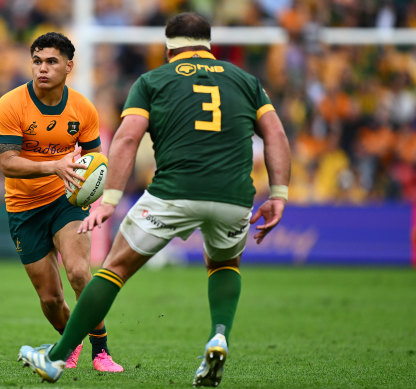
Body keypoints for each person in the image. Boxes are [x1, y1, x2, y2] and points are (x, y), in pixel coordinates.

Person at [17, 13, 291, 386]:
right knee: (224, 263)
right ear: (208, 45)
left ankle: (56, 357)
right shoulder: (246, 81)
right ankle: (219, 334)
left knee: (114, 269)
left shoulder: (153, 80)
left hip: (173, 192)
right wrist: (278, 194)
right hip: (234, 195)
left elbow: (128, 139)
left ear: (167, 48)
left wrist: (110, 200)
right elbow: (275, 134)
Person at [0, 32, 123, 372]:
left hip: (66, 200)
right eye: (37, 61)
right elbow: (7, 163)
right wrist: (54, 164)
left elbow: (96, 160)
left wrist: (93, 189)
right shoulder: (10, 104)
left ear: (69, 66)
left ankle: (101, 352)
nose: (42, 69)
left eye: (51, 61)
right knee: (50, 299)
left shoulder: (83, 108)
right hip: (23, 208)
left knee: (80, 272)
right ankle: (69, 342)